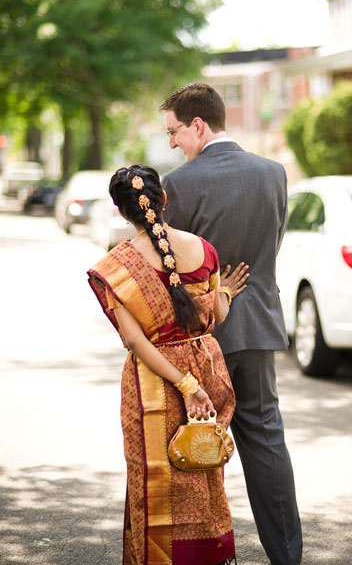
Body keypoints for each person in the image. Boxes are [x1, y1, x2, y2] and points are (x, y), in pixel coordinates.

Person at [159, 82, 302, 565]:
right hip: (259, 326)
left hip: (201, 338)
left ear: (198, 125)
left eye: (174, 132)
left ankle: (210, 553)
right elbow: (271, 246)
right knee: (266, 440)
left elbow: (172, 270)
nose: (173, 143)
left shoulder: (177, 184)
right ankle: (287, 557)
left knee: (196, 445)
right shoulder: (274, 173)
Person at [87, 164, 249, 565]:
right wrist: (224, 291)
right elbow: (215, 317)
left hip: (153, 382)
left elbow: (135, 340)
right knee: (202, 469)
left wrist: (184, 385)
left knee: (155, 479)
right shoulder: (203, 249)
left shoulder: (116, 267)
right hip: (207, 368)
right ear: (163, 199)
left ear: (122, 213)